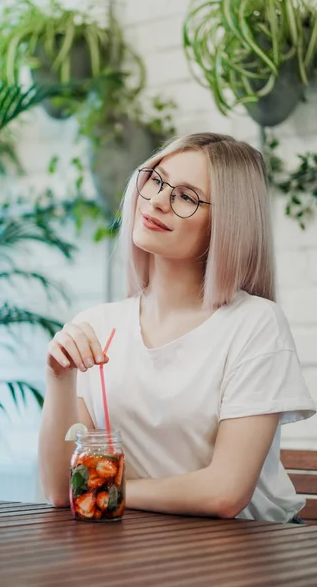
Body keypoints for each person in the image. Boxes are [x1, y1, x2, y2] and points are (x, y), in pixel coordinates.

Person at [38, 132, 316, 522]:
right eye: (156, 180)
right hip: (140, 546)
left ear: (227, 223)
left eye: (185, 197)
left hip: (250, 551)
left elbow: (225, 493)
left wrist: (106, 489)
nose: (156, 200)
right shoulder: (96, 327)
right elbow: (57, 489)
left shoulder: (255, 325)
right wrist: (59, 377)